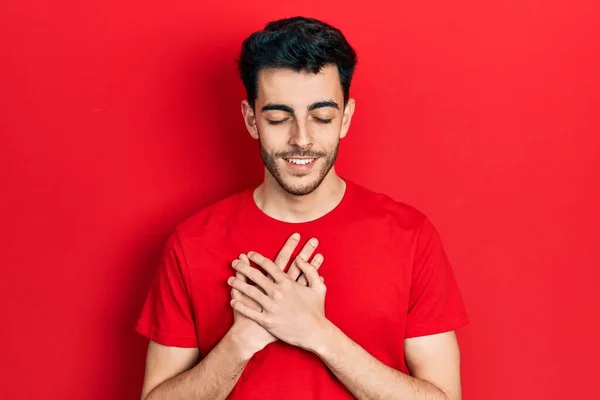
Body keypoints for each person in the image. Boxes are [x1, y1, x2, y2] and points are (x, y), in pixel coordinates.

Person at [136, 16, 468, 400]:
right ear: (250, 119)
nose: (302, 138)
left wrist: (317, 333)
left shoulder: (410, 236)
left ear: (345, 118)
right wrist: (242, 340)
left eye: (321, 117)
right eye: (278, 118)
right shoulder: (193, 242)